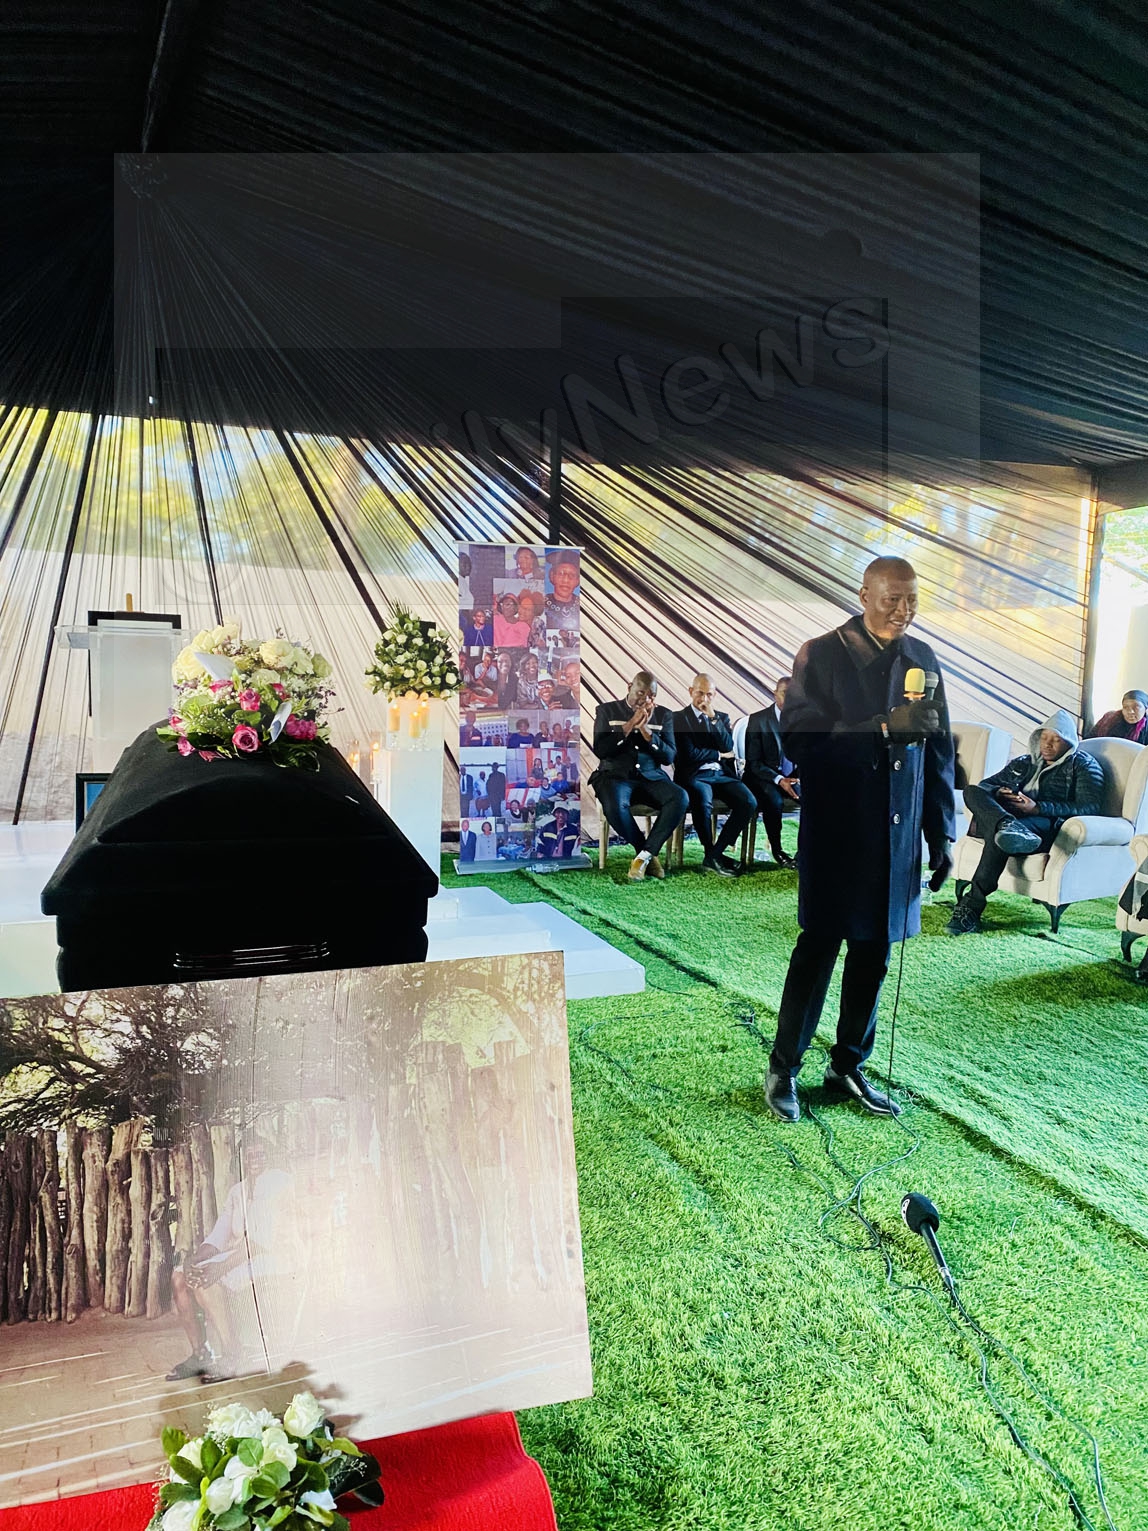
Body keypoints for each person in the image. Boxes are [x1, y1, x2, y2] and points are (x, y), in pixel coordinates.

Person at [765, 556, 956, 1124]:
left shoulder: (923, 658)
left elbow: (939, 753)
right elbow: (800, 741)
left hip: (897, 834)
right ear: (864, 594)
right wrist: (881, 728)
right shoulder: (821, 654)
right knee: (818, 949)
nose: (903, 610)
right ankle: (783, 1068)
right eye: (892, 598)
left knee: (874, 954)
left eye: (912, 599)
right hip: (838, 831)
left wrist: (942, 834)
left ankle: (848, 1064)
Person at [947, 710, 1104, 934]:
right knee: (972, 791)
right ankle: (1005, 823)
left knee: (1000, 835)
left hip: (1045, 824)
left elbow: (1090, 807)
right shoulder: (1024, 762)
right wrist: (1000, 793)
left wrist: (1038, 807)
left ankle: (971, 908)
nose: (1047, 744)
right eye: (1044, 737)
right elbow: (985, 786)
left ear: (1068, 742)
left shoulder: (1083, 765)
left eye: (1056, 739)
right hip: (1013, 817)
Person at [167, 1137, 296, 1379]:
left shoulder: (279, 1182)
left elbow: (261, 1240)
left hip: (275, 1255)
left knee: (207, 1282)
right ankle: (200, 1354)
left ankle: (233, 1353)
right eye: (249, 1155)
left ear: (270, 1157)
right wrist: (192, 1261)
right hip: (243, 1255)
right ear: (242, 1159)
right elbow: (220, 1234)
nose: (254, 1160)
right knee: (179, 1277)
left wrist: (220, 1267)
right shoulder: (238, 1191)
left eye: (260, 1154)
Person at [590, 670, 688, 882]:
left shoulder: (664, 715)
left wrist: (646, 731)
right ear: (629, 687)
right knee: (614, 804)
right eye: (640, 693)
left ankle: (643, 857)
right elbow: (601, 750)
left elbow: (668, 756)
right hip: (615, 776)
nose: (645, 699)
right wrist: (630, 725)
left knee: (680, 797)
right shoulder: (607, 710)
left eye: (651, 696)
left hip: (651, 777)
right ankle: (645, 853)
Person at [671, 674, 758, 877]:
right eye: (700, 693)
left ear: (714, 695)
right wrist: (718, 754)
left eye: (709, 694)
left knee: (749, 802)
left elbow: (727, 746)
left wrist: (713, 718)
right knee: (703, 801)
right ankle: (711, 853)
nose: (704, 699)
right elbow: (688, 754)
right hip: (694, 775)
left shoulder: (721, 718)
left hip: (720, 774)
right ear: (691, 691)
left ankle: (714, 854)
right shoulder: (677, 718)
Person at [743, 675, 799, 869]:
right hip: (763, 777)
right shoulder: (758, 720)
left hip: (791, 777)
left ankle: (804, 852)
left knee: (815, 797)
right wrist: (779, 779)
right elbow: (753, 763)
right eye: (785, 694)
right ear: (775, 694)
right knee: (774, 801)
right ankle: (777, 850)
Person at [545, 554, 580, 622]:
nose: (565, 580)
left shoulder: (583, 605)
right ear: (552, 576)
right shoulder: (541, 603)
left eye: (572, 575)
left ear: (577, 581)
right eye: (561, 574)